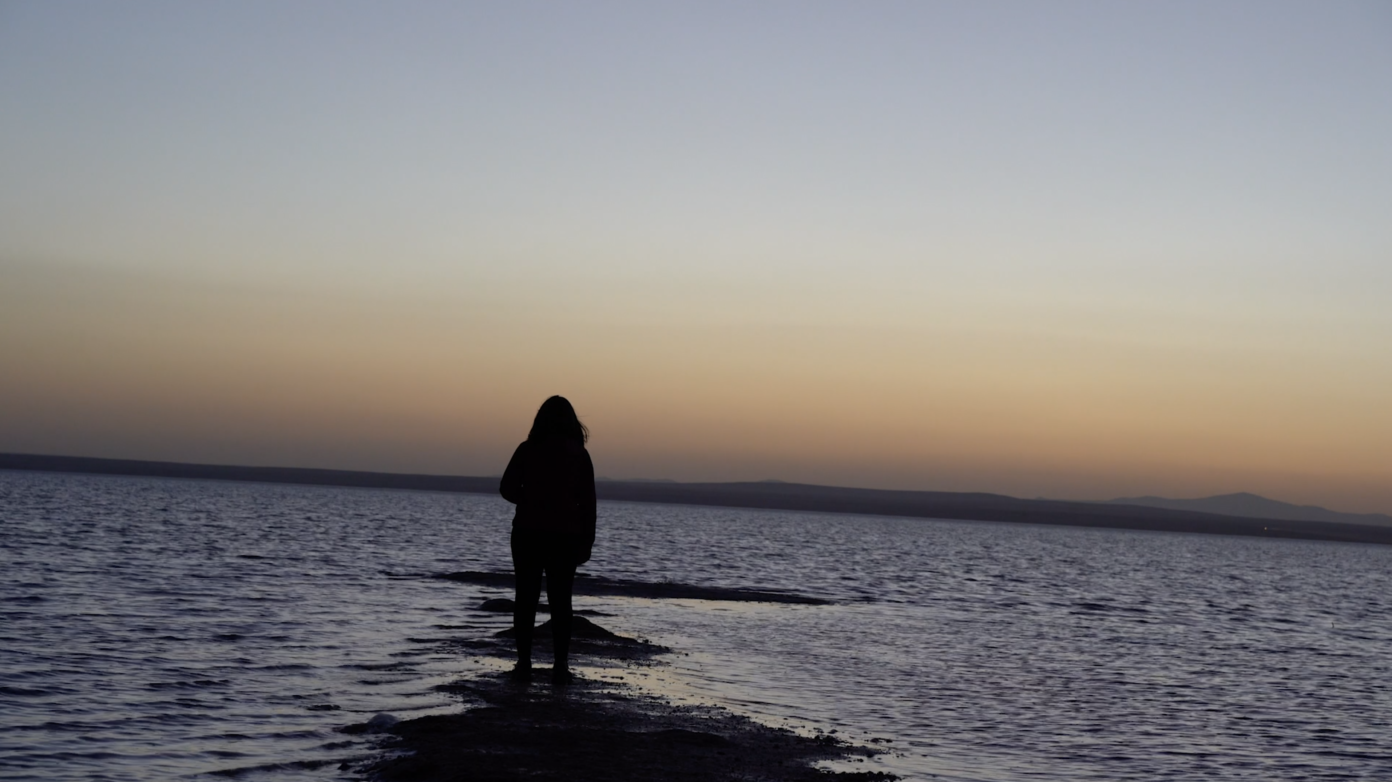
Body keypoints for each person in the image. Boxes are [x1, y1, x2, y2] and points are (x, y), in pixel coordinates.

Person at [499, 396, 597, 685]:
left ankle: (524, 662)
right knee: (561, 600)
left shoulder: (527, 449)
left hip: (528, 532)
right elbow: (588, 503)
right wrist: (587, 540)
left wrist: (530, 500)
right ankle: (560, 665)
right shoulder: (579, 455)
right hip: (565, 535)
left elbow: (506, 488)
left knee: (525, 598)